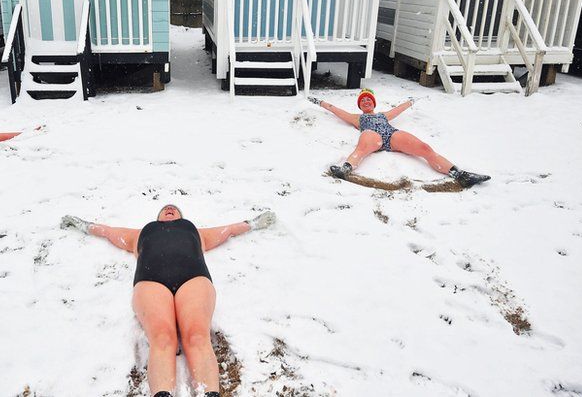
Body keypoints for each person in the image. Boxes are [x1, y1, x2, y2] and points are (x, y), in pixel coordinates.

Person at [60, 205, 276, 397]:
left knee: (197, 336)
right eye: (165, 209)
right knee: (162, 338)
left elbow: (227, 230)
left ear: (181, 216)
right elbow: (109, 232)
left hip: (192, 279)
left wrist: (253, 223)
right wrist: (84, 225)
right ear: (158, 217)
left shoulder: (193, 231)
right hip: (151, 281)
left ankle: (209, 394)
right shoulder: (142, 233)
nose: (169, 209)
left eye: (174, 208)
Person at [310, 88, 489, 187]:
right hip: (372, 136)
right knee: (363, 147)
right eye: (362, 100)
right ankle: (346, 169)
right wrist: (319, 102)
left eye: (369, 99)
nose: (366, 101)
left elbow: (399, 109)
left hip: (391, 135)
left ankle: (460, 174)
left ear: (373, 103)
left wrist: (411, 101)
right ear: (359, 105)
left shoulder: (384, 115)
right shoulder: (358, 118)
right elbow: (335, 110)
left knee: (425, 148)